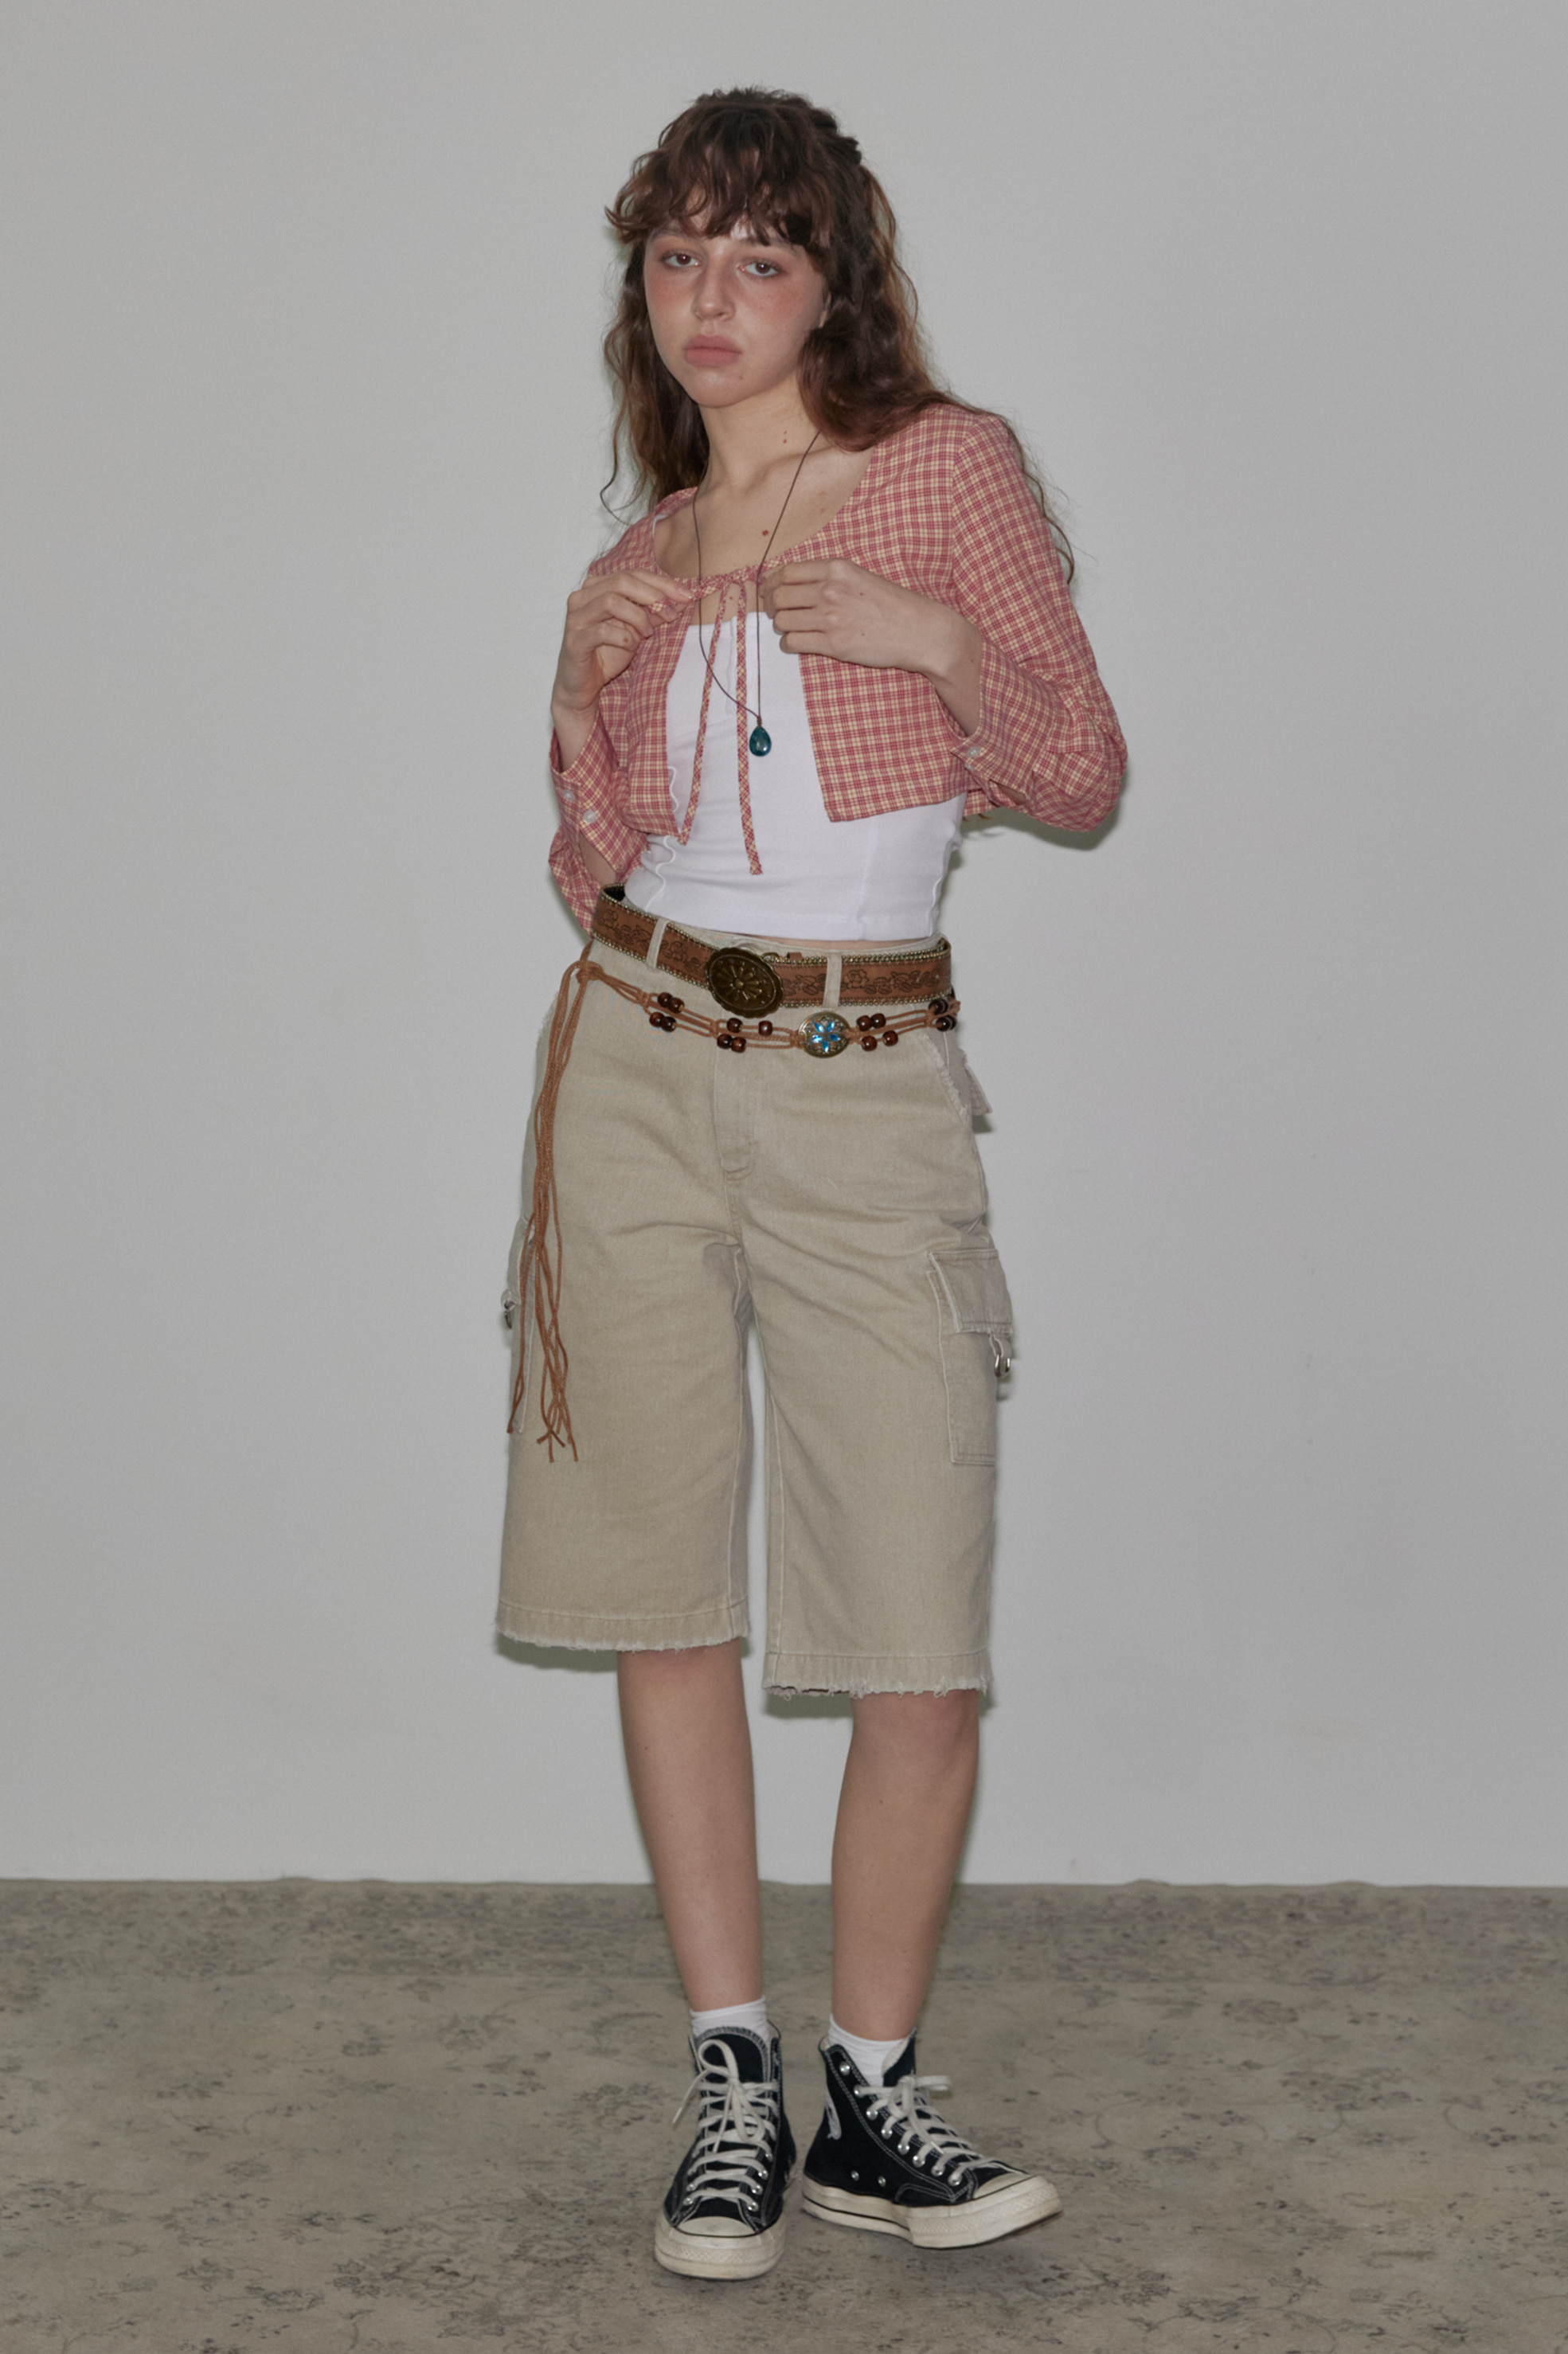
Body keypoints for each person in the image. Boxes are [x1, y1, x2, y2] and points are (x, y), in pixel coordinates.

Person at [498, 88, 1125, 2280]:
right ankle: (736, 2086)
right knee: (660, 1590)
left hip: (865, 1083)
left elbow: (1077, 766)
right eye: (676, 254)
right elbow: (595, 862)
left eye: (759, 255)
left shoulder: (947, 469)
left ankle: (874, 2093)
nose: (712, 297)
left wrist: (942, 646)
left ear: (832, 281)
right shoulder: (647, 549)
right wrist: (579, 698)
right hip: (635, 1072)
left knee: (912, 1632)